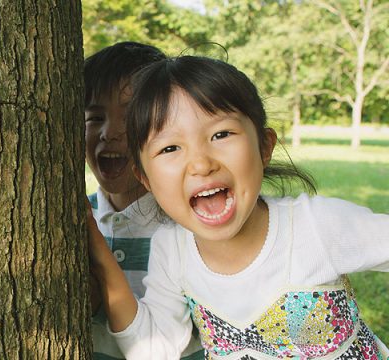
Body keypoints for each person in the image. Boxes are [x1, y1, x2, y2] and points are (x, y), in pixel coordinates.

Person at [87, 55, 389, 359]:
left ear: (264, 147)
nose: (201, 164)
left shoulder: (316, 225)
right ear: (146, 179)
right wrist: (100, 256)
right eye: (170, 148)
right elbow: (153, 350)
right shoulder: (173, 250)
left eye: (221, 134)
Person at [84, 42, 204, 359]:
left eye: (129, 116)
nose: (110, 132)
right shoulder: (74, 215)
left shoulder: (185, 223)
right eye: (94, 117)